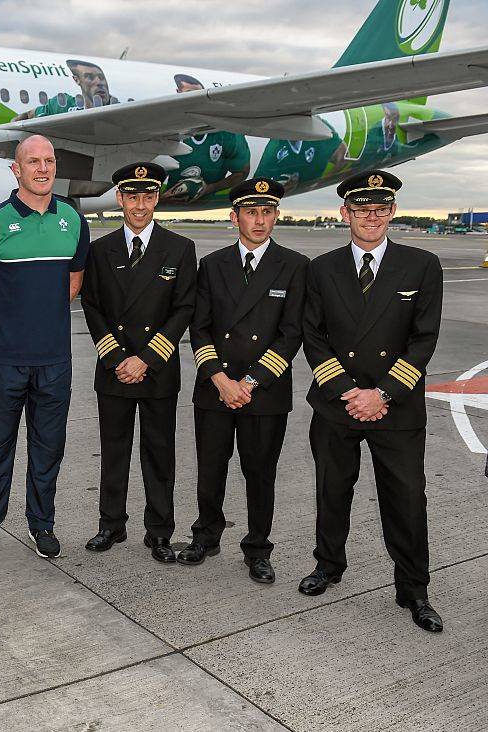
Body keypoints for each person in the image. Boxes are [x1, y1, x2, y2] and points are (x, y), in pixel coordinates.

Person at [298, 170, 444, 633]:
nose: (372, 218)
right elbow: (313, 336)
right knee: (331, 490)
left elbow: (423, 340)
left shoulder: (421, 265)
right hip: (336, 405)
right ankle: (328, 565)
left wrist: (381, 393)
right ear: (346, 214)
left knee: (406, 499)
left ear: (392, 212)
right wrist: (348, 392)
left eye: (381, 210)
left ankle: (414, 589)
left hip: (394, 407)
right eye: (362, 210)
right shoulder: (321, 268)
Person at [0, 134, 90, 561]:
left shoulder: (74, 221)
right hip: (5, 360)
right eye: (33, 162)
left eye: (50, 161)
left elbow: (72, 285)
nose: (43, 169)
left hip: (55, 361)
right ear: (15, 170)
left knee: (47, 449)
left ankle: (42, 525)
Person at [180, 178, 308, 583]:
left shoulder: (295, 266)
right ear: (234, 217)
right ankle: (206, 536)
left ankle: (257, 548)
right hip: (215, 387)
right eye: (251, 212)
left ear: (276, 216)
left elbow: (292, 335)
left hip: (263, 391)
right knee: (211, 467)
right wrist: (220, 379)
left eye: (267, 212)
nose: (259, 220)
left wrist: (249, 382)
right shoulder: (212, 264)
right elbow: (198, 328)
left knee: (260, 472)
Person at [80, 163, 196, 560]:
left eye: (148, 196)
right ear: (120, 199)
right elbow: (92, 306)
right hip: (115, 369)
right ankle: (110, 525)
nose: (140, 205)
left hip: (157, 369)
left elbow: (183, 309)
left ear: (157, 198)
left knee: (159, 452)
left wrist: (146, 358)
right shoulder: (101, 249)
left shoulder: (180, 248)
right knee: (114, 450)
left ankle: (160, 531)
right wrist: (117, 357)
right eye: (133, 197)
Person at [160, 74, 250, 204]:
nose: (195, 101)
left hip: (208, 198)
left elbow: (242, 172)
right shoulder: (165, 131)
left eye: (199, 95)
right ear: (178, 94)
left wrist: (209, 188)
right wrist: (161, 198)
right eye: (189, 94)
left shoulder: (225, 132)